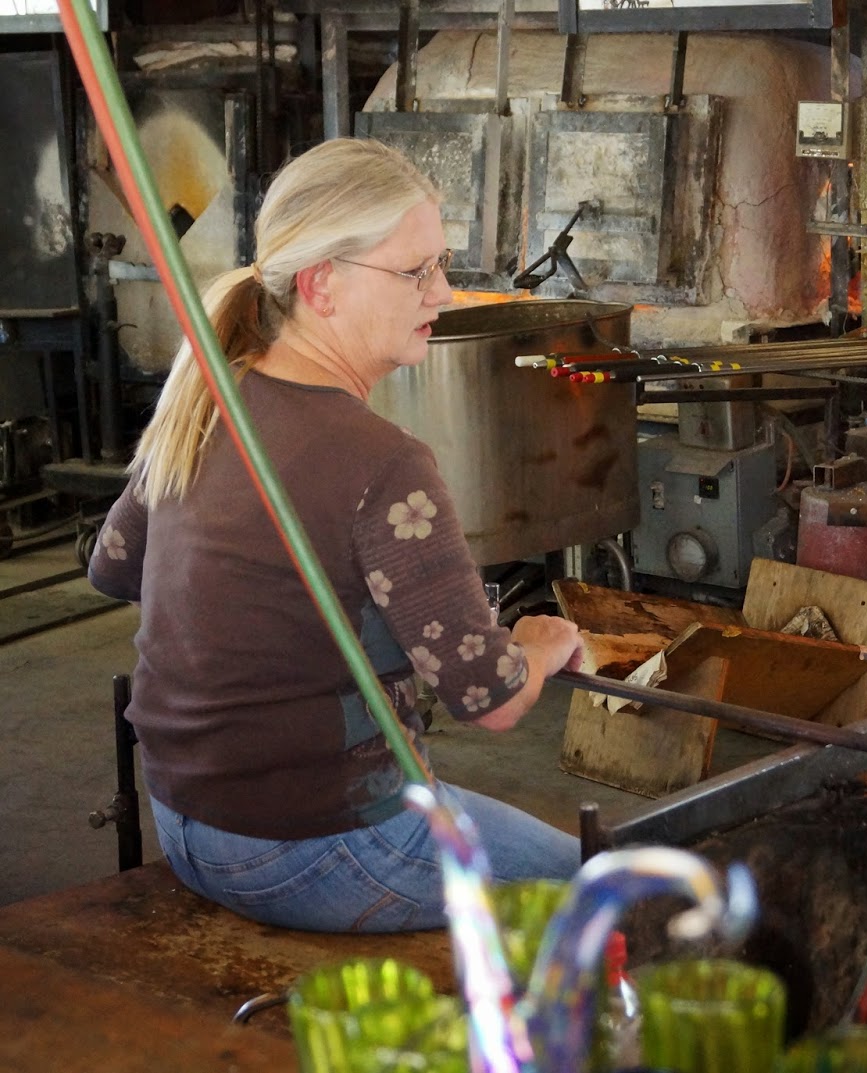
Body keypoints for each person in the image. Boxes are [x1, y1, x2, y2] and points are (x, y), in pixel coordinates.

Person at [87, 138, 585, 933]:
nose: (446, 293)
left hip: (185, 821)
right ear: (322, 284)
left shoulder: (211, 394)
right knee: (605, 881)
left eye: (441, 264)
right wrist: (544, 641)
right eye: (415, 270)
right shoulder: (383, 464)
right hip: (314, 845)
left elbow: (113, 567)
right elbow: (487, 698)